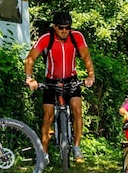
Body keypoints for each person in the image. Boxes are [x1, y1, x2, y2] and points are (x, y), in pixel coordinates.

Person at [25, 12, 95, 164]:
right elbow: (30, 59)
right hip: (51, 81)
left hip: (71, 80)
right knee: (47, 117)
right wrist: (29, 79)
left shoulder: (76, 37)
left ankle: (76, 147)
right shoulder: (46, 38)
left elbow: (86, 57)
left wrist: (90, 76)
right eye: (61, 28)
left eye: (67, 28)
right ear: (54, 27)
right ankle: (44, 154)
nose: (64, 31)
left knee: (77, 109)